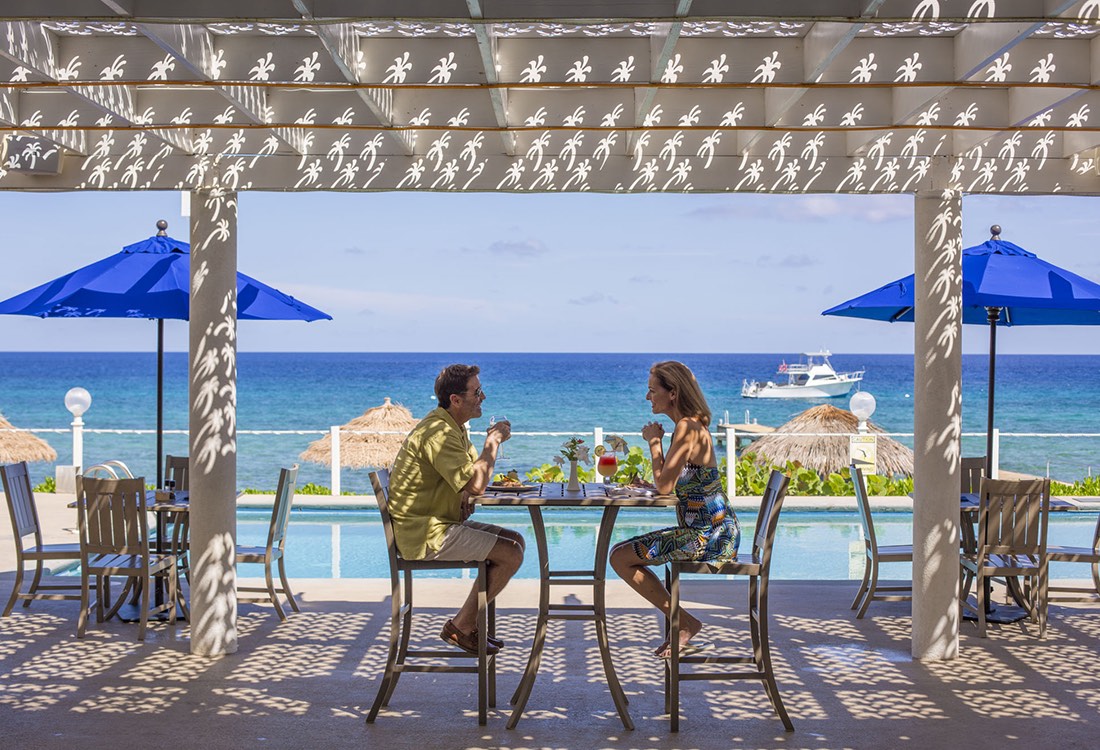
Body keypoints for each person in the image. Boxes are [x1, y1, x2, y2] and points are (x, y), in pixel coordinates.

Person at [387, 363, 525, 655]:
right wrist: (493, 441)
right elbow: (477, 484)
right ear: (456, 399)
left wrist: (466, 490)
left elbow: (468, 482)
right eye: (477, 391)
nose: (483, 397)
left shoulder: (453, 428)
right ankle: (462, 626)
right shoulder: (439, 433)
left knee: (516, 542)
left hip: (438, 522)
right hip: (426, 533)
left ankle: (467, 625)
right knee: (510, 553)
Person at [609, 360, 740, 658]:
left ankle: (684, 622)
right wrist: (652, 478)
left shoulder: (686, 427)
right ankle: (683, 621)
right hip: (712, 530)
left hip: (709, 536)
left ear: (673, 392)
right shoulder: (691, 425)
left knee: (619, 558)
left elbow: (665, 486)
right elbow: (670, 480)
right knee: (620, 552)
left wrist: (654, 442)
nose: (647, 397)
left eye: (652, 390)